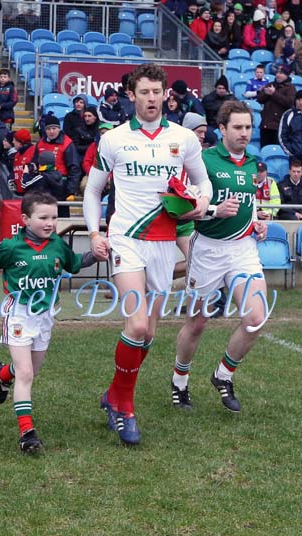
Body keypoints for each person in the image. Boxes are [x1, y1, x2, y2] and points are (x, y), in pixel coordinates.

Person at [83, 63, 211, 445]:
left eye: (157, 92)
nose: (151, 99)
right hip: (125, 239)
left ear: (166, 94)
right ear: (131, 95)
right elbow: (93, 191)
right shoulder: (114, 139)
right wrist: (94, 232)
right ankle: (126, 408)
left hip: (163, 244)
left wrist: (201, 202)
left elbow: (202, 182)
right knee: (136, 325)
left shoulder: (184, 139)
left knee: (148, 334)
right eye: (144, 92)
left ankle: (113, 395)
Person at [0, 191, 99, 453]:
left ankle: (2, 375)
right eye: (43, 217)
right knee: (25, 374)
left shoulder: (57, 245)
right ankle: (27, 434)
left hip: (44, 316)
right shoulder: (11, 247)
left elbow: (76, 263)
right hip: (19, 313)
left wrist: (98, 253)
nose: (50, 223)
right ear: (25, 219)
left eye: (54, 217)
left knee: (32, 370)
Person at [171, 100, 269, 414]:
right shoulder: (204, 161)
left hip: (243, 250)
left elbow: (251, 202)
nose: (244, 133)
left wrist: (258, 221)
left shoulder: (255, 163)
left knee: (255, 319)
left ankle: (223, 375)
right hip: (209, 250)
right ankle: (179, 382)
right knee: (197, 323)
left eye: (248, 127)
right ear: (222, 128)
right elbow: (182, 207)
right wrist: (214, 210)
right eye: (237, 127)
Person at [35, 114, 82, 198]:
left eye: (54, 128)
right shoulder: (40, 143)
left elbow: (74, 167)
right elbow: (34, 162)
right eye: (48, 129)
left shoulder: (67, 143)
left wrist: (70, 190)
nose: (51, 131)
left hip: (60, 184)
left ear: (59, 129)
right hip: (42, 184)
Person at [257, 66, 296, 147]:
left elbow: (289, 102)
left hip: (279, 126)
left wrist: (274, 93)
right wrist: (266, 93)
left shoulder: (291, 88)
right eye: (277, 72)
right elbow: (260, 99)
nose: (278, 75)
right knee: (265, 149)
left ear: (287, 75)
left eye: (281, 73)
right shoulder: (270, 84)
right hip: (266, 125)